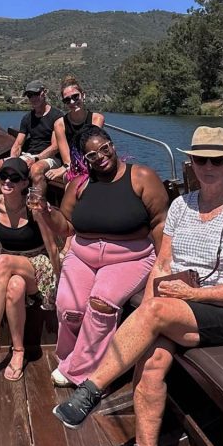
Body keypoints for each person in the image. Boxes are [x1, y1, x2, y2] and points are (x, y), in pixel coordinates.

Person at [52, 127, 223, 446]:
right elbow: (162, 263)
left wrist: (189, 294)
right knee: (152, 362)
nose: (208, 166)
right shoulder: (182, 207)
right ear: (191, 163)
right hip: (181, 309)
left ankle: (91, 390)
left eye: (216, 159)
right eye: (201, 159)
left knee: (152, 314)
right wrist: (162, 293)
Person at [35, 125, 167, 388]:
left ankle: (80, 372)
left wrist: (162, 267)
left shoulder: (141, 176)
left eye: (104, 149)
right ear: (85, 161)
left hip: (129, 257)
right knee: (69, 306)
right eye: (92, 155)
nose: (100, 157)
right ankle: (69, 357)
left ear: (112, 145)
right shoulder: (79, 184)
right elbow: (67, 226)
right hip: (83, 255)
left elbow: (161, 223)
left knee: (101, 303)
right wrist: (47, 211)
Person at [0, 158, 58, 380]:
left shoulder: (34, 206)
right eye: (3, 176)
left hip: (38, 265)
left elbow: (52, 246)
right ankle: (18, 351)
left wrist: (60, 281)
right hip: (9, 269)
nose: (7, 181)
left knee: (3, 261)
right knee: (14, 287)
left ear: (25, 183)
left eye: (15, 178)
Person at [0, 80, 63, 195]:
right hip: (28, 156)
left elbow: (55, 147)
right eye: (29, 95)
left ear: (44, 93)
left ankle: (36, 207)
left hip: (50, 158)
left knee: (36, 170)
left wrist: (36, 159)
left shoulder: (57, 116)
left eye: (35, 94)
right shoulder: (27, 118)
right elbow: (18, 144)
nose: (33, 98)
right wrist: (13, 161)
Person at [48, 76, 105, 182]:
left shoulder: (97, 119)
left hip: (92, 161)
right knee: (75, 179)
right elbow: (67, 160)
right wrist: (67, 167)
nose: (72, 102)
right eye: (67, 100)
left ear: (83, 95)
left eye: (75, 96)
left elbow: (92, 149)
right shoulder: (59, 124)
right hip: (71, 167)